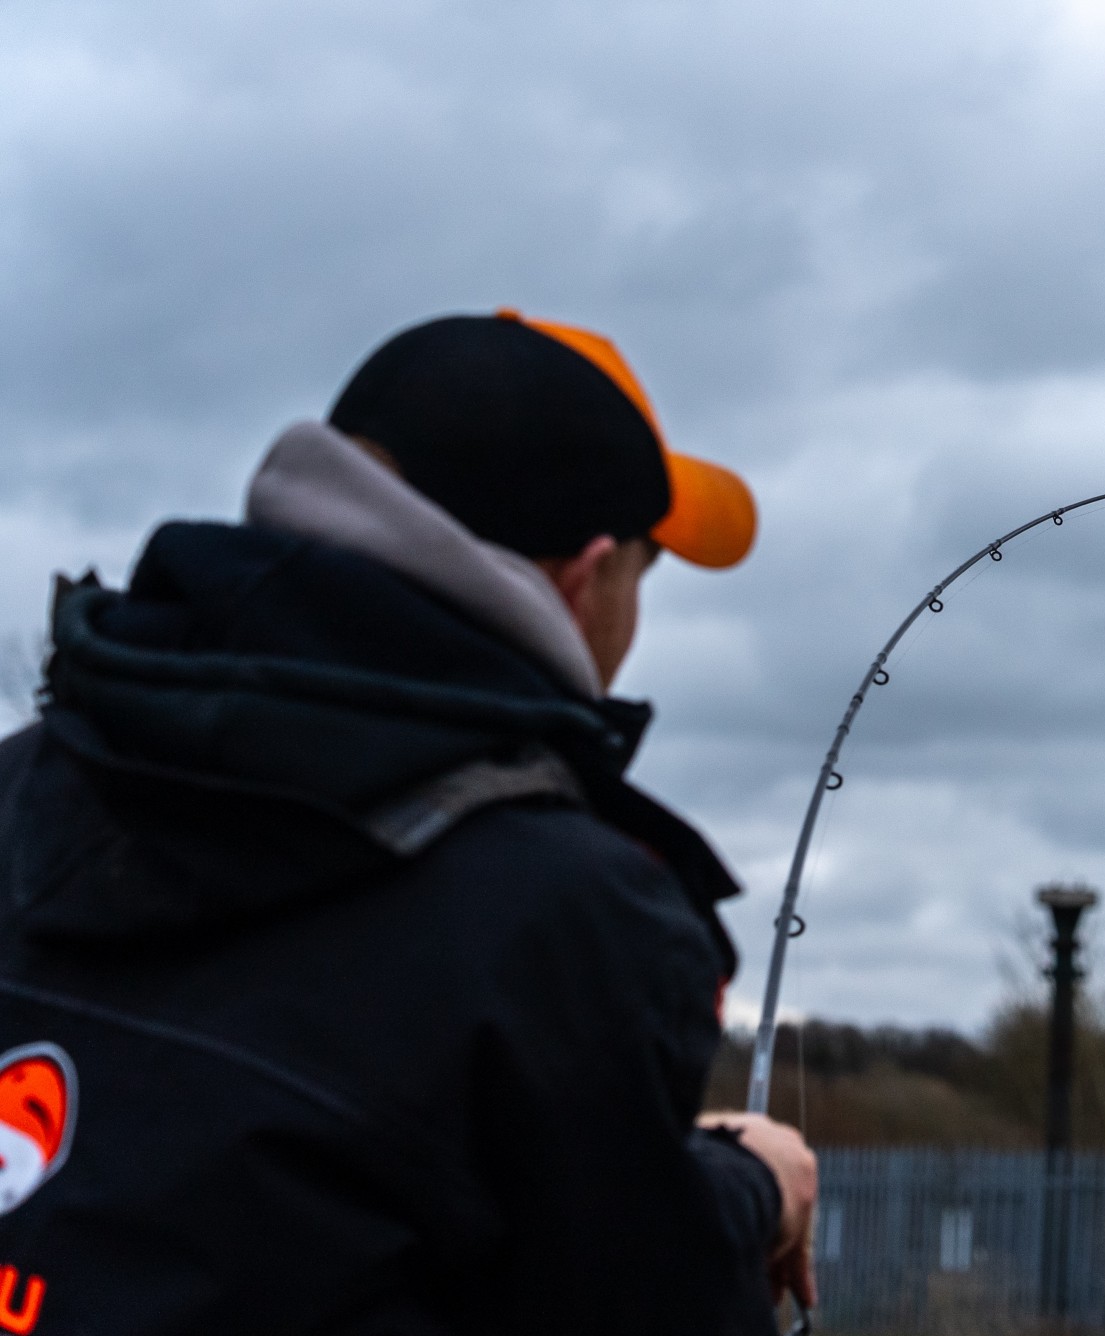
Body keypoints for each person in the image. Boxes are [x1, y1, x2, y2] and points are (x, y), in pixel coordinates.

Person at [0, 311, 815, 1333]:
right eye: (640, 576)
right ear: (583, 577)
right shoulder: (564, 916)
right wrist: (752, 1188)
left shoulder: (27, 781)